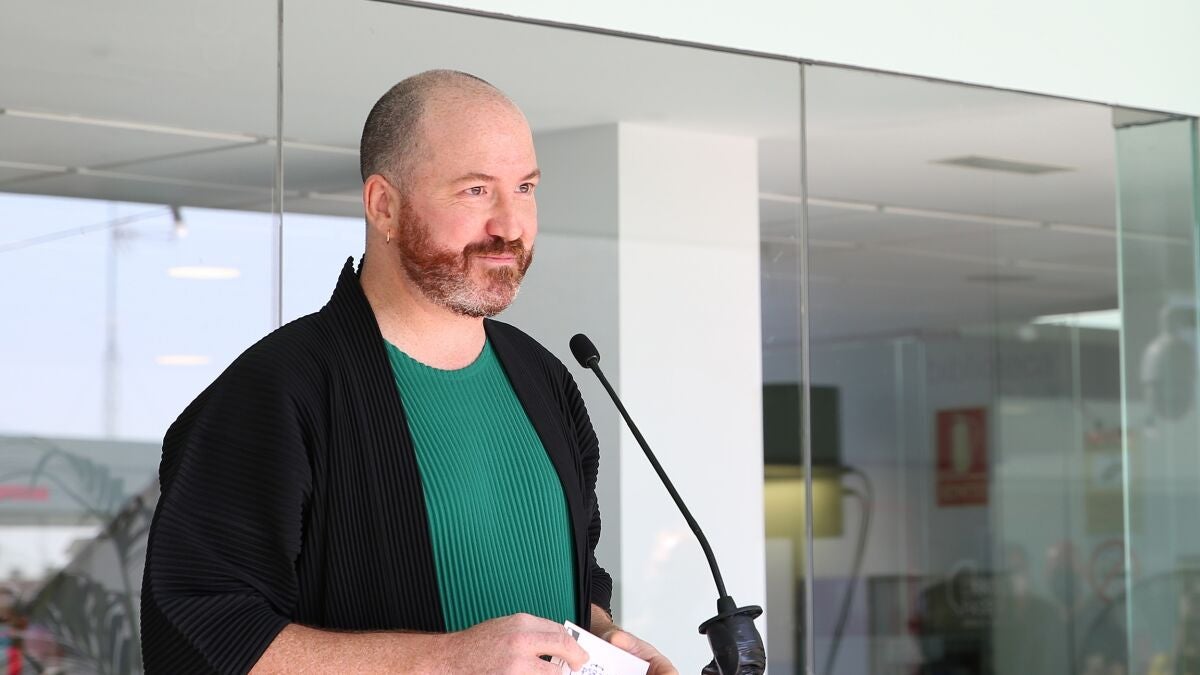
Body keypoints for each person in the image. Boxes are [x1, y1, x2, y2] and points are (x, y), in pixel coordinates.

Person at [141, 70, 677, 675]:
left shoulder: (546, 379)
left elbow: (579, 570)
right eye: (476, 190)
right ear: (384, 206)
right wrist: (443, 660)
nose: (510, 225)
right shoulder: (278, 391)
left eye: (525, 188)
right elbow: (197, 632)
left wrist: (604, 640)